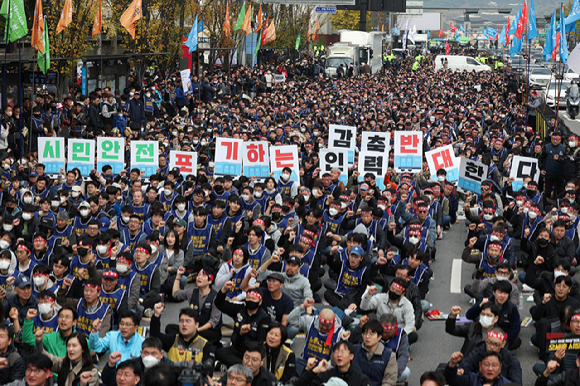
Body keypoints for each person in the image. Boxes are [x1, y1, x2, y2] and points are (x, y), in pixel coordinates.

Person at [215, 283, 270, 367]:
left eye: (253, 298)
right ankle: (244, 366)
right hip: (236, 347)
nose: (250, 300)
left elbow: (260, 343)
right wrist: (224, 289)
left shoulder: (264, 318)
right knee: (220, 352)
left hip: (251, 351)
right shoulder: (239, 309)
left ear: (260, 302)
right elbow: (219, 304)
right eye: (248, 298)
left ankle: (240, 365)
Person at [150, 303, 215, 366]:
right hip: (172, 376)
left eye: (188, 321)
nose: (184, 324)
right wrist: (156, 315)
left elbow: (208, 369)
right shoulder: (172, 339)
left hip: (194, 376)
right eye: (181, 321)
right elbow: (154, 337)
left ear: (197, 325)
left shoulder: (205, 345)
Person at [170, 267, 222, 345]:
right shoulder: (192, 292)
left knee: (199, 335)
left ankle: (185, 340)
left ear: (210, 281)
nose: (199, 277)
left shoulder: (216, 297)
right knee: (170, 328)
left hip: (209, 331)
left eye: (203, 276)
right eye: (198, 275)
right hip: (193, 328)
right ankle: (187, 340)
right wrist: (178, 275)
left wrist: (197, 329)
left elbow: (213, 321)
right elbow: (175, 294)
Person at [33, 331, 99, 386]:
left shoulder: (91, 372)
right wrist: (39, 342)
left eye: (74, 346)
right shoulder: (64, 362)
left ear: (83, 349)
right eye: (68, 345)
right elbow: (46, 358)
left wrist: (83, 384)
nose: (70, 349)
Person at [294, 341, 372, 386]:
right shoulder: (326, 375)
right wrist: (313, 371)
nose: (339, 355)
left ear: (351, 356)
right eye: (336, 352)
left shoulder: (361, 379)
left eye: (343, 352)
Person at [351, 320, 398, 386]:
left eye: (371, 334)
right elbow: (336, 363)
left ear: (379, 337)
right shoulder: (354, 350)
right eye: (365, 333)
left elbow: (389, 382)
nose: (367, 336)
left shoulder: (389, 356)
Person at [444, 350, 511, 386]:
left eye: (494, 365)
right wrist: (452, 364)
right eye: (486, 365)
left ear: (500, 368)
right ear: (480, 366)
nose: (490, 369)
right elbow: (452, 380)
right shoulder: (472, 379)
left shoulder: (507, 384)